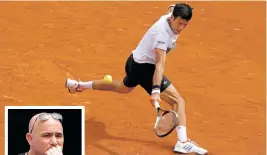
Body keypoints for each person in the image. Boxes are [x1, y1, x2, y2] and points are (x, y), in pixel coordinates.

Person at [65, 3, 208, 155]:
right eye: (179, 23)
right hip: (144, 68)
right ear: (172, 19)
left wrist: (173, 7)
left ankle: (79, 85)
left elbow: (171, 8)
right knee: (178, 101)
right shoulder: (162, 36)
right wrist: (155, 91)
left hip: (133, 61)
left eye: (185, 24)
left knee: (121, 88)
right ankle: (182, 142)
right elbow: (159, 65)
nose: (181, 27)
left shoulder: (170, 16)